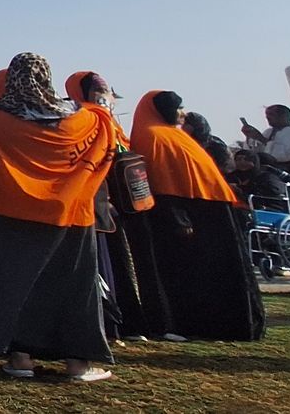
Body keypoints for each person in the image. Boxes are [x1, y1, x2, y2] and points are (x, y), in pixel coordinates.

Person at [0, 52, 119, 382]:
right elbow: (107, 136)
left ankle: (21, 359)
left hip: (7, 218)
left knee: (16, 286)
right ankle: (79, 363)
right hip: (71, 215)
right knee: (76, 286)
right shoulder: (84, 118)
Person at [131, 90, 265, 340]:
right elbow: (163, 180)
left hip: (210, 208)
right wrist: (179, 218)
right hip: (191, 214)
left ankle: (234, 324)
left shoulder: (172, 135)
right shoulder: (153, 136)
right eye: (178, 107)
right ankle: (212, 325)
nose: (182, 113)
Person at [65, 70, 170, 344]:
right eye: (96, 90)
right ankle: (113, 324)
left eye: (105, 90)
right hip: (94, 204)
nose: (104, 96)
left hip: (121, 206)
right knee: (104, 266)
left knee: (123, 264)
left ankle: (132, 321)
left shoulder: (109, 124)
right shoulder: (77, 121)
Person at [240, 105, 290, 177]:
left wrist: (261, 139)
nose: (268, 117)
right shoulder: (268, 132)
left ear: (284, 116)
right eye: (267, 115)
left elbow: (283, 156)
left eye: (271, 114)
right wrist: (249, 137)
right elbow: (253, 154)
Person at [183, 112, 235, 177]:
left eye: (185, 124)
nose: (182, 126)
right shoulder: (185, 143)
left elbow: (226, 168)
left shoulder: (215, 144)